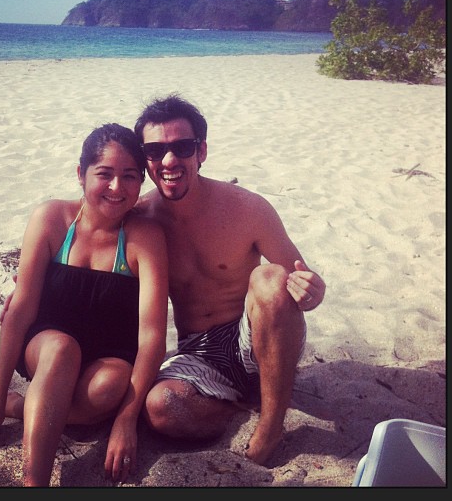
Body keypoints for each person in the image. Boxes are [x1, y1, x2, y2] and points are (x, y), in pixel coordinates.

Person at [0, 123, 168, 486]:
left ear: (141, 182)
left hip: (110, 353)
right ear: (80, 174)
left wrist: (125, 420)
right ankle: (35, 482)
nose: (116, 187)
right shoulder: (51, 220)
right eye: (104, 174)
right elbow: (20, 311)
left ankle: (20, 405)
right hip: (46, 343)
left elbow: (152, 335)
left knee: (110, 388)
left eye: (130, 176)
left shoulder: (145, 237)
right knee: (62, 349)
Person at [132, 94, 326, 466]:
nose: (168, 161)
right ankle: (235, 405)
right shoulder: (141, 220)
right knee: (160, 408)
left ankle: (270, 426)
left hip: (256, 337)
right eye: (155, 151)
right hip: (198, 351)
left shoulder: (247, 208)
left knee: (271, 278)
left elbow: (299, 276)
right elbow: (91, 245)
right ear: (145, 159)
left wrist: (312, 291)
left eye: (182, 147)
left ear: (201, 151)